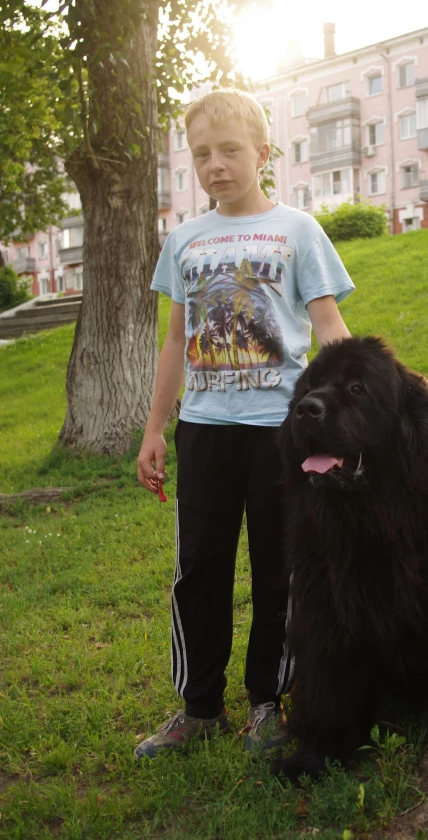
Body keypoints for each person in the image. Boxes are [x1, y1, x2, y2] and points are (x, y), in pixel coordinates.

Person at [134, 89, 355, 758]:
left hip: (281, 432)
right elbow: (175, 341)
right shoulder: (184, 239)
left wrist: (371, 396)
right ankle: (198, 708)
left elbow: (329, 329)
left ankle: (268, 701)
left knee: (279, 568)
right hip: (203, 429)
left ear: (263, 152)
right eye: (202, 153)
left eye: (230, 150)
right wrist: (153, 429)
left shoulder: (298, 231)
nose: (216, 164)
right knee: (199, 567)